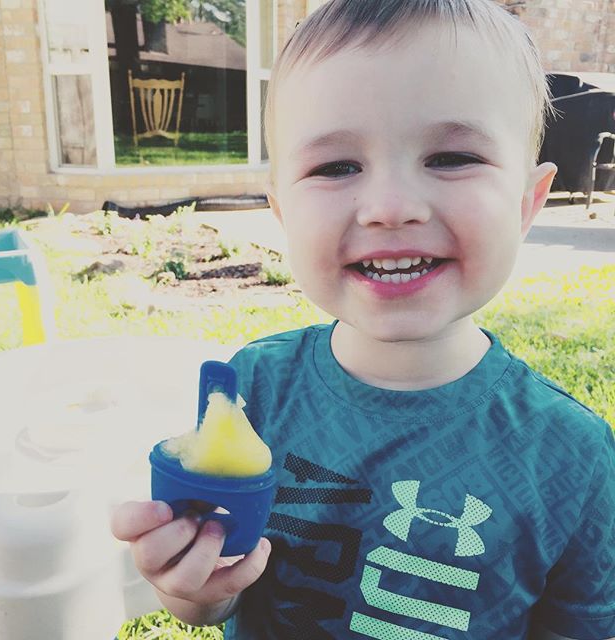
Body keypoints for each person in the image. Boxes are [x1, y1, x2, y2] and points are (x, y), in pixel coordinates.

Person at [111, 1, 615, 638]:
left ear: (526, 201)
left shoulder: (570, 454)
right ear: (282, 211)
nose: (390, 207)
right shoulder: (254, 389)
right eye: (335, 166)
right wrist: (197, 593)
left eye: (451, 157)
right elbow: (225, 592)